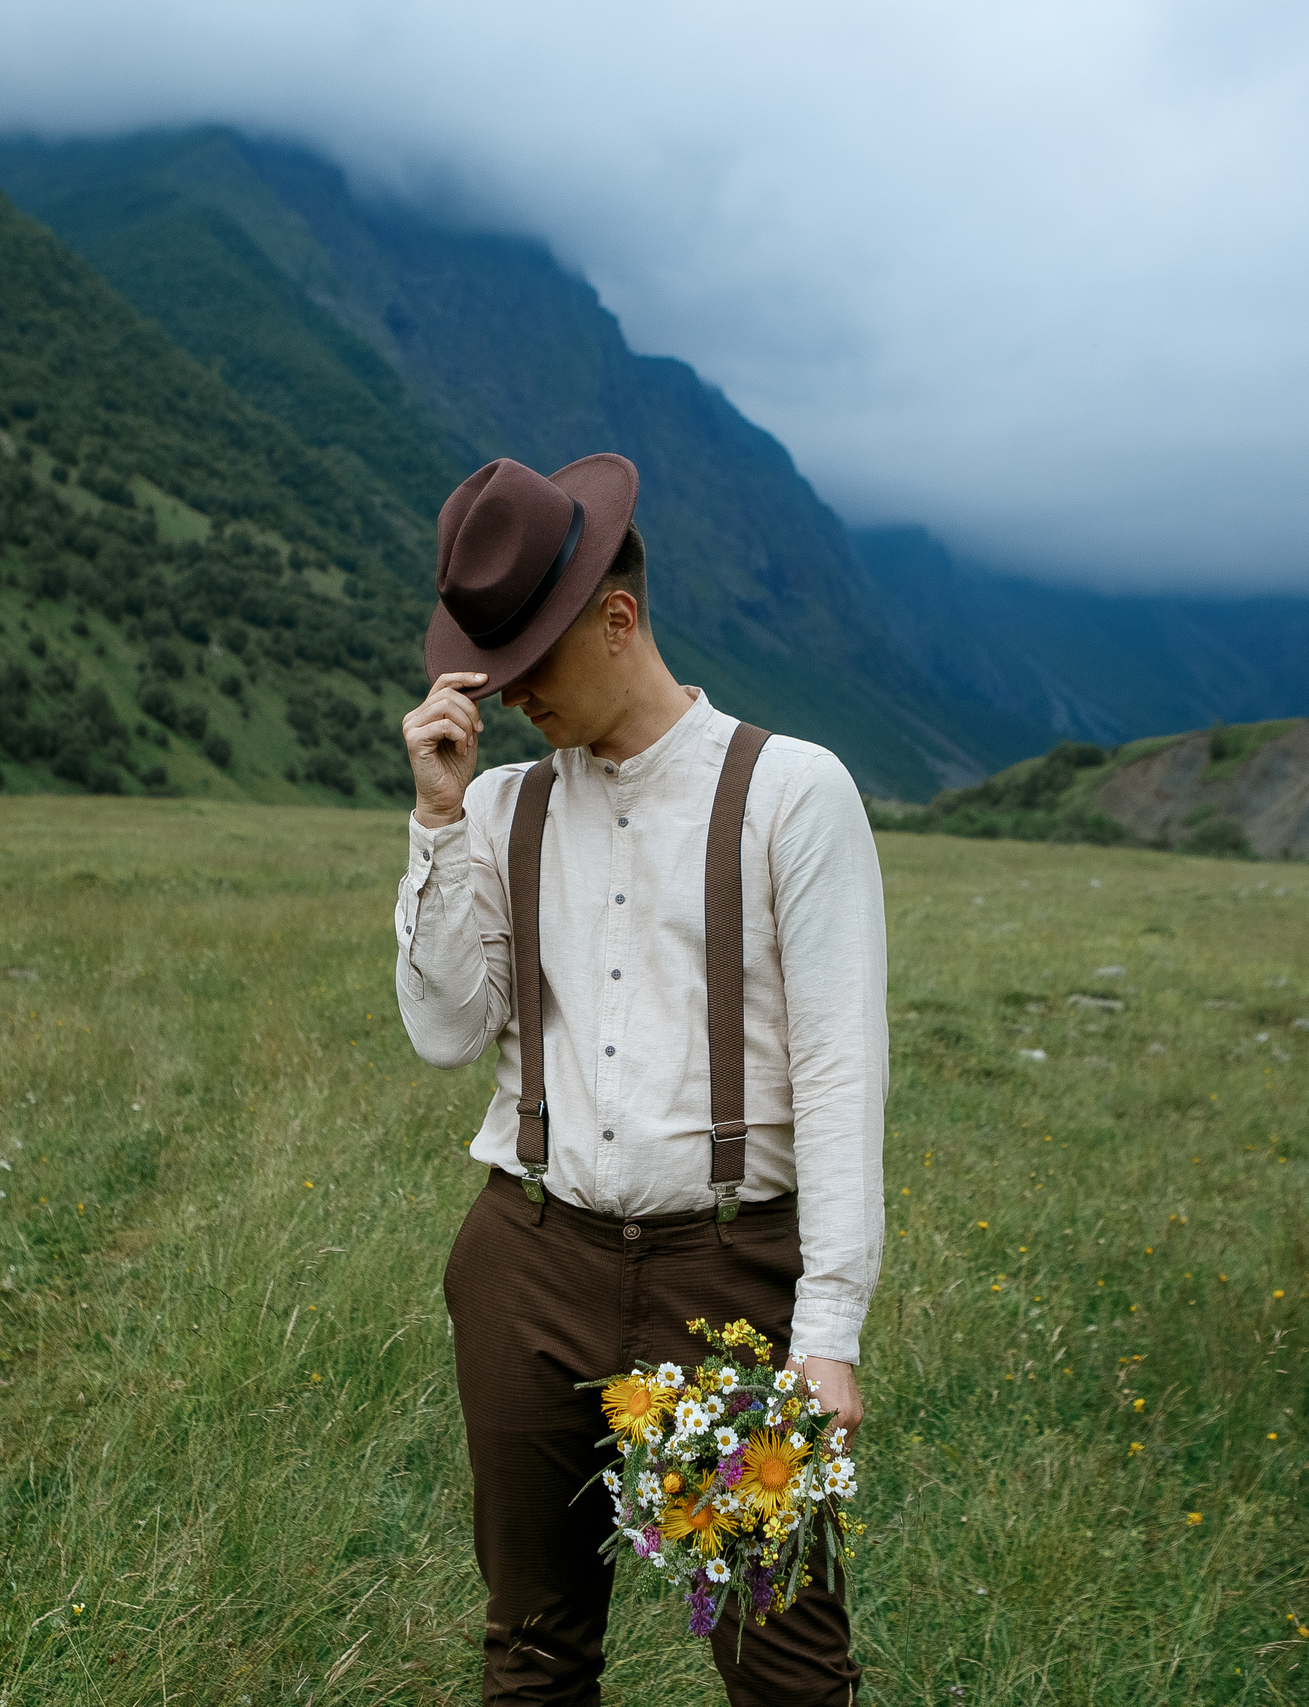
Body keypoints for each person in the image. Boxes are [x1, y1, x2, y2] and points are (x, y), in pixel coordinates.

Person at [394, 453, 885, 1705]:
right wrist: (437, 822)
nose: (510, 697)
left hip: (728, 1277)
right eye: (493, 667)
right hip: (527, 1261)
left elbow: (839, 1076)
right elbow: (445, 1033)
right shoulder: (498, 807)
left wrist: (826, 1334)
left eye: (532, 664)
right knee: (533, 1649)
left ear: (617, 618)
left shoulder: (792, 792)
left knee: (783, 1662)